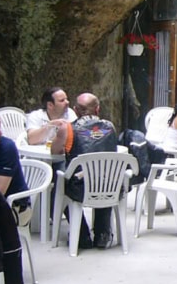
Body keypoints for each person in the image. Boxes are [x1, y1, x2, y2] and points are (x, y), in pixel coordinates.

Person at [64, 92, 119, 249]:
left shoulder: (69, 129)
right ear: (97, 109)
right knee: (105, 178)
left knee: (59, 187)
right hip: (110, 188)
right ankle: (103, 234)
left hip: (80, 188)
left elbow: (56, 150)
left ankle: (81, 236)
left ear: (75, 109)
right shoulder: (110, 127)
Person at [26, 87, 75, 155]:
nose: (67, 102)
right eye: (62, 100)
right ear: (50, 105)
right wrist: (50, 125)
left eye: (67, 99)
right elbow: (32, 140)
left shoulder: (70, 113)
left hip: (62, 156)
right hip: (40, 157)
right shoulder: (36, 116)